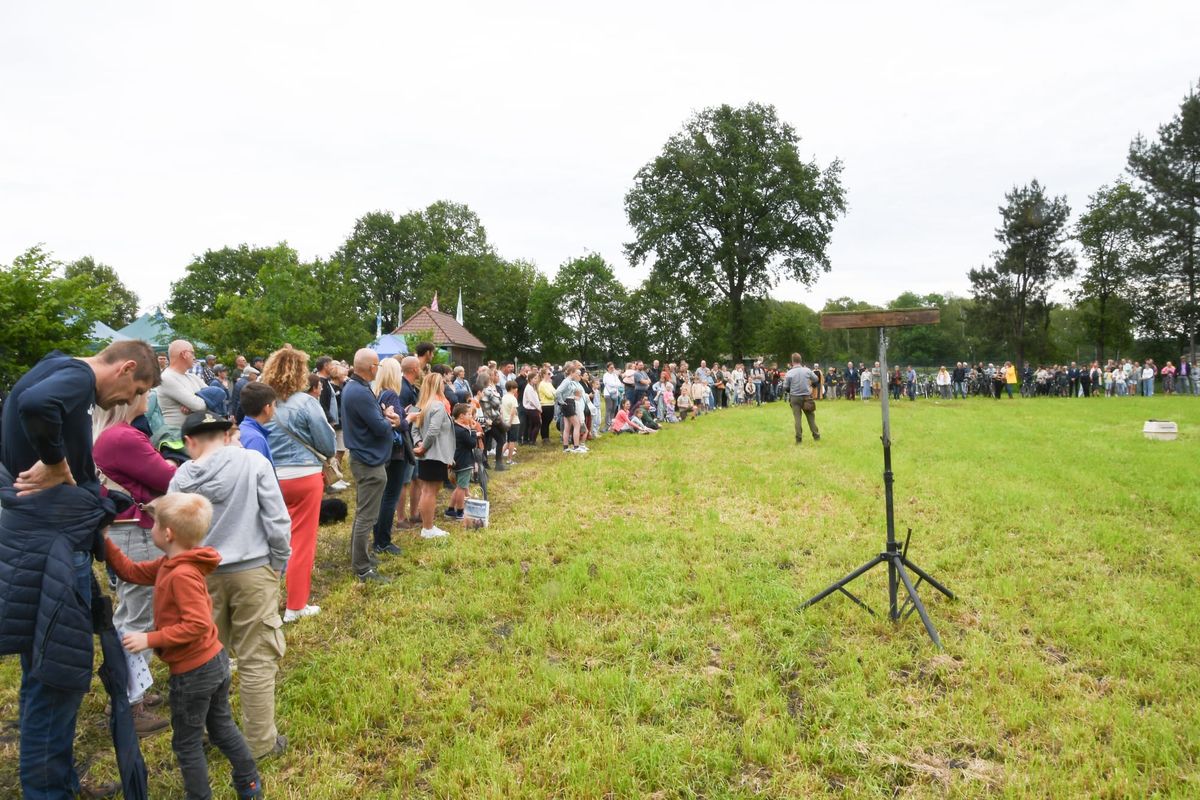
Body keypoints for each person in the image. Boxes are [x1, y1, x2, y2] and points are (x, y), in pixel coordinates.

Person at [0, 339, 159, 799]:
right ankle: (50, 792)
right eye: (136, 390)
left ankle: (57, 782)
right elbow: (36, 405)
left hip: (38, 541)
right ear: (125, 368)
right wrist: (55, 463)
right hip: (51, 549)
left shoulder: (53, 365)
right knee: (57, 676)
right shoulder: (77, 377)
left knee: (45, 674)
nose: (130, 401)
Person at [104, 492, 264, 800]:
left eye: (154, 524)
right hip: (213, 662)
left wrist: (149, 639)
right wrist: (105, 541)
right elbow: (131, 572)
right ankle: (250, 784)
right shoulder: (172, 563)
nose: (150, 528)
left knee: (187, 743)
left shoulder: (181, 574)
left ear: (167, 534)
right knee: (221, 727)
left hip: (194, 673)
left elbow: (198, 625)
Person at [169, 410, 291, 761]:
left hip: (200, 576)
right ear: (226, 435)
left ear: (189, 442)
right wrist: (278, 562)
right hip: (253, 570)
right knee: (257, 657)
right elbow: (277, 519)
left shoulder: (180, 478)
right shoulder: (253, 463)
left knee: (204, 658)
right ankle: (260, 742)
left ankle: (208, 733)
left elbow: (171, 533)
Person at [93, 391, 177, 737]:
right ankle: (129, 702)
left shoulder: (110, 435)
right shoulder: (124, 437)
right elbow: (168, 478)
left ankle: (132, 688)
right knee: (137, 615)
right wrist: (171, 465)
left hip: (127, 528)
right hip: (136, 531)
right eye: (143, 390)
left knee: (134, 611)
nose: (149, 396)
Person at [261, 345, 337, 611]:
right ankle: (296, 606)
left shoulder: (262, 404)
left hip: (269, 475)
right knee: (301, 541)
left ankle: (264, 602)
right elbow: (327, 444)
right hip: (304, 475)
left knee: (269, 540)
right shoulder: (306, 402)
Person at [342, 349, 402, 582]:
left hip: (365, 457)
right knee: (366, 516)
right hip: (369, 461)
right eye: (377, 365)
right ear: (371, 367)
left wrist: (383, 415)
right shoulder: (360, 392)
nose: (379, 369)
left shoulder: (355, 388)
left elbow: (372, 420)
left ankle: (360, 557)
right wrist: (390, 420)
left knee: (364, 514)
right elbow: (378, 427)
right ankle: (362, 567)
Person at [371, 358, 409, 556]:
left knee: (383, 496)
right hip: (396, 452)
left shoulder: (377, 393)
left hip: (384, 451)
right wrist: (407, 419)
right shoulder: (392, 394)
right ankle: (383, 540)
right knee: (390, 496)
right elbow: (398, 423)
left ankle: (378, 537)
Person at [411, 372, 454, 539]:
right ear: (438, 385)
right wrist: (423, 447)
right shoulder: (438, 405)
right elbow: (434, 430)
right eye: (442, 382)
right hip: (436, 454)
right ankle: (428, 528)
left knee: (427, 490)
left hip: (426, 453)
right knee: (430, 491)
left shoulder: (419, 405)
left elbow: (414, 429)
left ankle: (427, 525)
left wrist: (419, 444)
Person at [158, 340, 208, 429]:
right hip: (177, 435)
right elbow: (199, 406)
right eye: (192, 353)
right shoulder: (166, 378)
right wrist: (197, 403)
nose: (194, 357)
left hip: (194, 433)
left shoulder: (192, 377)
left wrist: (192, 405)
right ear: (184, 354)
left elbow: (218, 396)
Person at [447, 403, 481, 521]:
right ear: (461, 416)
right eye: (469, 414)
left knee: (459, 487)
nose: (471, 417)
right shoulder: (462, 431)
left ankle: (450, 509)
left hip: (457, 460)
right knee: (461, 488)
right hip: (464, 462)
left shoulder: (454, 428)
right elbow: (472, 443)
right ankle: (460, 511)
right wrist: (473, 430)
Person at [236, 382, 277, 466]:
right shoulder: (256, 439)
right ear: (267, 409)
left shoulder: (241, 429)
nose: (275, 409)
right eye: (274, 405)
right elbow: (256, 471)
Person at [782, 353, 819, 444]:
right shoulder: (807, 370)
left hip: (795, 397)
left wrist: (791, 390)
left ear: (792, 361)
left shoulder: (789, 373)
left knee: (797, 418)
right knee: (810, 417)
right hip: (807, 397)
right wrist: (811, 385)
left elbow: (785, 387)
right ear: (801, 360)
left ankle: (798, 439)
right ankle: (816, 435)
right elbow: (816, 379)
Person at [501, 380, 520, 465]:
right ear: (512, 388)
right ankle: (509, 459)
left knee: (508, 441)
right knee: (512, 441)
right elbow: (513, 412)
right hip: (513, 422)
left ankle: (498, 456)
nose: (516, 389)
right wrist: (510, 422)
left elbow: (501, 410)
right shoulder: (513, 398)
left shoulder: (504, 397)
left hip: (505, 420)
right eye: (515, 388)